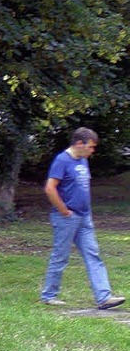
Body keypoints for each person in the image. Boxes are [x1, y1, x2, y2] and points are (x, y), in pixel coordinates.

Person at [40, 127, 125, 309]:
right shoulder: (62, 160)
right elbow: (50, 188)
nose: (92, 151)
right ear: (79, 144)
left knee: (93, 254)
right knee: (60, 256)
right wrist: (64, 210)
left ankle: (104, 297)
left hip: (85, 217)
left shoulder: (82, 160)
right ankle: (49, 295)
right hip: (66, 217)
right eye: (91, 147)